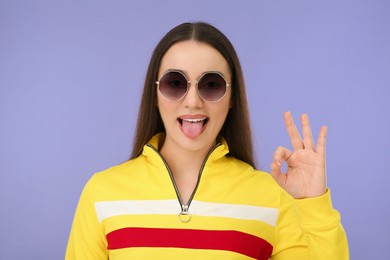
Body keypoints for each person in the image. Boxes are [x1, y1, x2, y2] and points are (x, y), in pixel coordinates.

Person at [66, 22, 349, 259]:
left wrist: (312, 203)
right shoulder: (101, 194)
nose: (192, 101)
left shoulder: (269, 197)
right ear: (154, 94)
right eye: (175, 83)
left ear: (232, 97)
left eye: (211, 85)